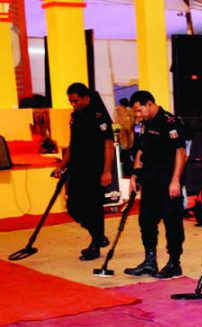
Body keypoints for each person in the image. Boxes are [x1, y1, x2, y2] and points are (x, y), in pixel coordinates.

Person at [124, 90, 187, 278]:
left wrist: (175, 180)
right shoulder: (144, 124)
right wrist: (135, 175)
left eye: (139, 110)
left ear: (149, 104)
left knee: (172, 223)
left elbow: (181, 152)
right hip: (150, 180)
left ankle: (174, 263)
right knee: (146, 221)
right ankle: (150, 261)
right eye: (135, 112)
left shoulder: (169, 122)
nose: (137, 115)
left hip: (168, 181)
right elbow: (141, 151)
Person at [53, 83, 114, 260]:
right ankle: (99, 236)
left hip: (95, 169)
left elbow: (108, 144)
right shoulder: (75, 117)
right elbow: (72, 147)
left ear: (86, 97)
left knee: (93, 207)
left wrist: (107, 171)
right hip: (78, 169)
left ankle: (95, 244)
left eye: (76, 100)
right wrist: (62, 165)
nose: (73, 104)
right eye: (71, 101)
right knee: (73, 207)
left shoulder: (99, 116)